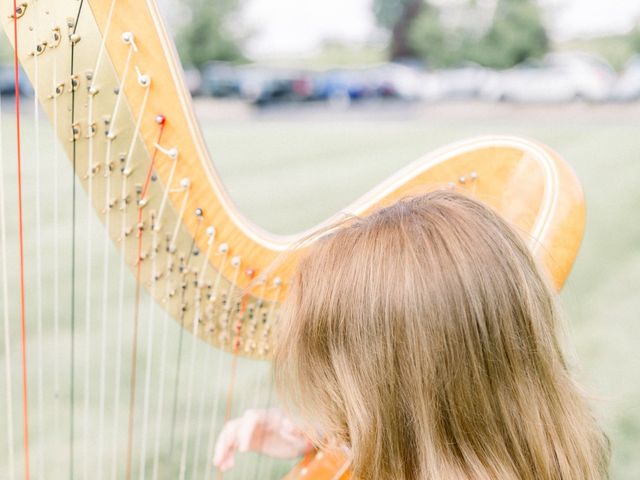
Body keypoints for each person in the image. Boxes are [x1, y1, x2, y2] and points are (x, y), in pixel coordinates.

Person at [214, 190, 610, 479]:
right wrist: (316, 440)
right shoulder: (546, 450)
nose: (331, 409)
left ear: (389, 389)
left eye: (341, 388)